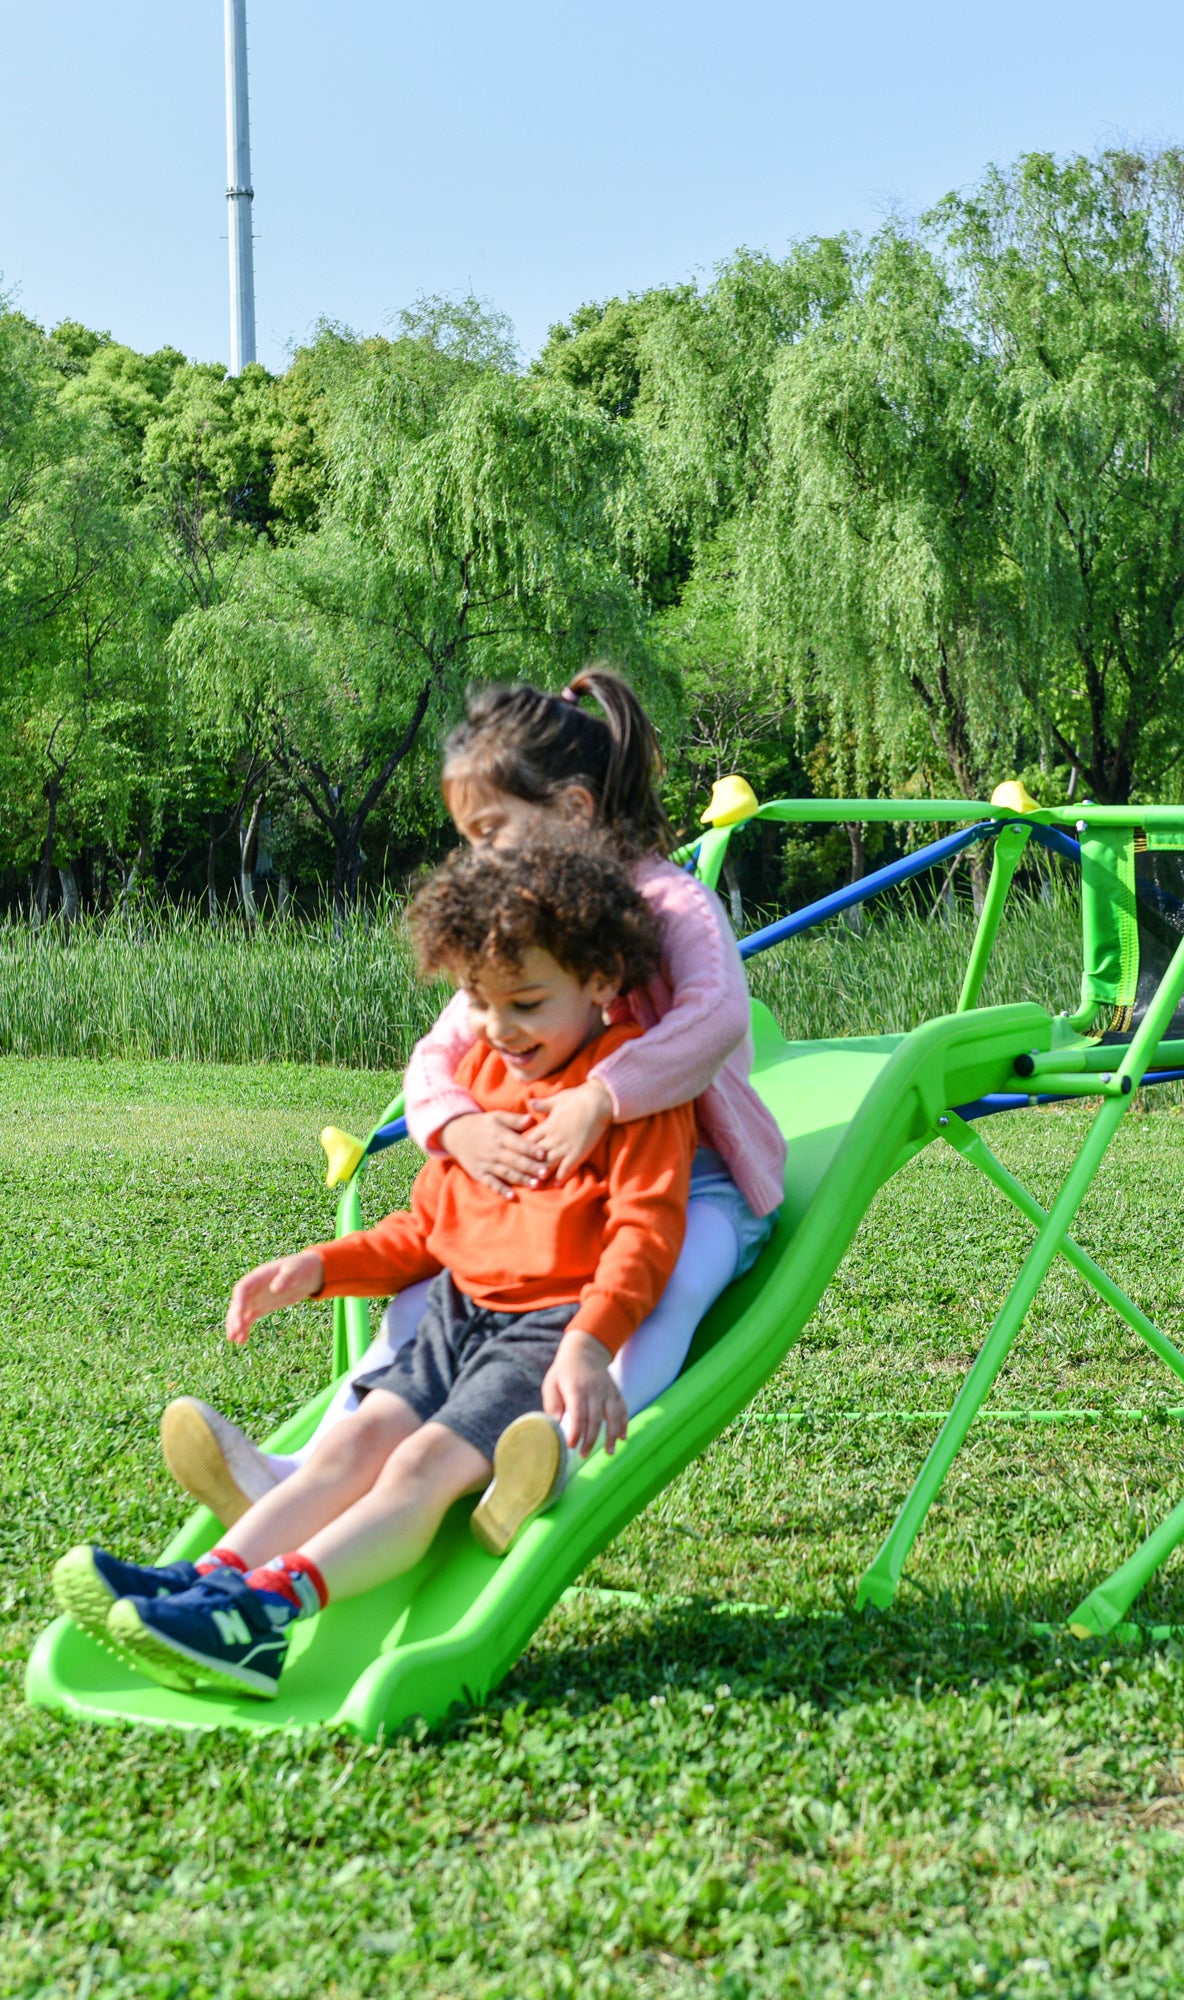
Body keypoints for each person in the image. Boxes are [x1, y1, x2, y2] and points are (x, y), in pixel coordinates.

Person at [53, 838, 698, 1699]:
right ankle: (210, 1584)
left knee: (418, 1472)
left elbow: (645, 1235)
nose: (502, 1029)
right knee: (348, 1444)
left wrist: (589, 1343)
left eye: (528, 1003)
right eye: (480, 1002)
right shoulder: (483, 1078)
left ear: (601, 982)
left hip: (542, 1332)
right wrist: (318, 1268)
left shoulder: (633, 1096)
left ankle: (261, 1620)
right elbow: (426, 1229)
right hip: (454, 1317)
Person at [158, 669, 787, 1538]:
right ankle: (299, 1470)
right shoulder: (520, 933)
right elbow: (437, 1056)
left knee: (673, 1282)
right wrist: (460, 1123)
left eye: (491, 832)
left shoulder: (670, 900)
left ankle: (551, 1452)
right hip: (551, 1195)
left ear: (570, 810)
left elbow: (713, 1020)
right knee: (433, 1288)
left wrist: (603, 1098)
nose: (480, 857)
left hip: (690, 1182)